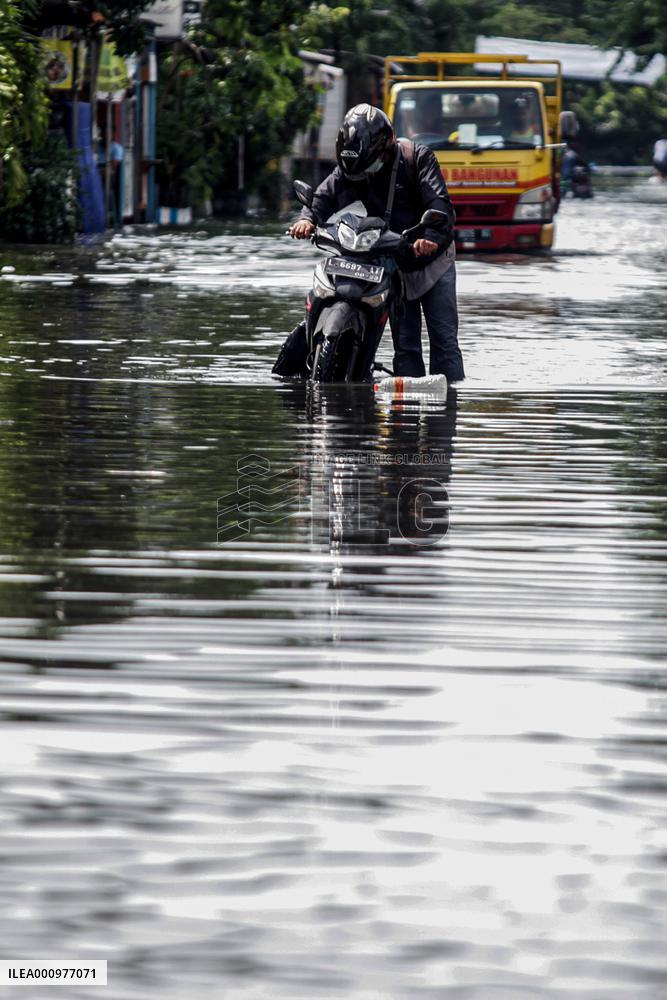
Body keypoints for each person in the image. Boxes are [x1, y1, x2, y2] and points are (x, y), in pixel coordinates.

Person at [290, 104, 464, 382]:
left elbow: (440, 207)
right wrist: (307, 219)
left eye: (368, 168)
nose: (363, 177)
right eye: (356, 173)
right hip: (391, 261)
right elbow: (324, 196)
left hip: (433, 261)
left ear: (386, 149)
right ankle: (404, 409)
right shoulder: (354, 169)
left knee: (444, 342)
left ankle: (450, 403)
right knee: (405, 345)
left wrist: (429, 238)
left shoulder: (417, 158)